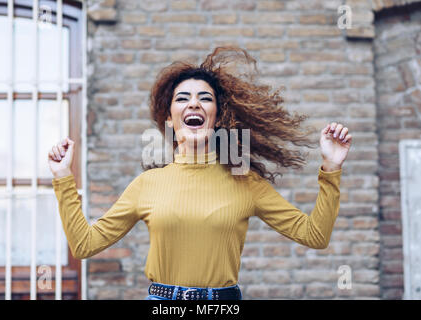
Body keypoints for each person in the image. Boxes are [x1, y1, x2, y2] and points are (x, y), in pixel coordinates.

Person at [48, 47, 352, 300]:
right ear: (169, 118)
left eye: (205, 98)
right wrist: (63, 178)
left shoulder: (244, 182)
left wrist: (331, 167)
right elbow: (84, 244)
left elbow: (315, 236)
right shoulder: (148, 185)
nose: (194, 103)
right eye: (182, 98)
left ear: (218, 117)